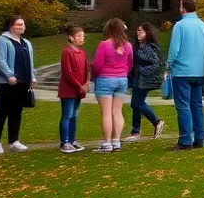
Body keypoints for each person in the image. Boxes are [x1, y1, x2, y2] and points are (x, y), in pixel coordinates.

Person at [165, 0, 204, 150]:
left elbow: (174, 49)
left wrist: (168, 64)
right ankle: (199, 138)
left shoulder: (180, 26)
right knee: (197, 105)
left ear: (182, 9)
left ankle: (185, 140)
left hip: (182, 71)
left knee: (183, 106)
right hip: (200, 71)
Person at [0, 15, 35, 154]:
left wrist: (32, 77)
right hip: (6, 83)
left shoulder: (26, 43)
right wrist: (9, 75)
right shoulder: (3, 40)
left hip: (22, 82)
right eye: (18, 25)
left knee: (17, 112)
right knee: (2, 111)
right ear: (11, 26)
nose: (21, 27)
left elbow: (30, 61)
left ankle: (14, 140)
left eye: (23, 24)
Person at [92, 18, 134, 153]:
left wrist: (94, 76)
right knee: (117, 111)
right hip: (122, 79)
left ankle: (107, 143)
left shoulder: (104, 45)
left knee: (106, 112)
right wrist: (123, 72)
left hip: (106, 78)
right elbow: (130, 63)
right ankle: (116, 141)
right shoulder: (128, 46)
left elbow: (97, 65)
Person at [126, 23, 165, 142]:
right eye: (138, 30)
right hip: (137, 79)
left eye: (141, 31)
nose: (138, 33)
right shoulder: (137, 46)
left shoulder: (149, 48)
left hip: (144, 80)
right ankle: (135, 131)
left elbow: (156, 64)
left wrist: (141, 70)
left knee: (137, 103)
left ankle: (156, 121)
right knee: (136, 105)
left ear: (147, 33)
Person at [58, 26, 89, 153]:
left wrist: (86, 83)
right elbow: (68, 72)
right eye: (78, 36)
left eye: (83, 36)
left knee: (74, 115)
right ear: (71, 37)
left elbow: (87, 69)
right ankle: (64, 142)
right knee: (67, 114)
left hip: (78, 90)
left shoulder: (82, 53)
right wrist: (79, 85)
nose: (81, 38)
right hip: (69, 89)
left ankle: (72, 140)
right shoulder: (67, 52)